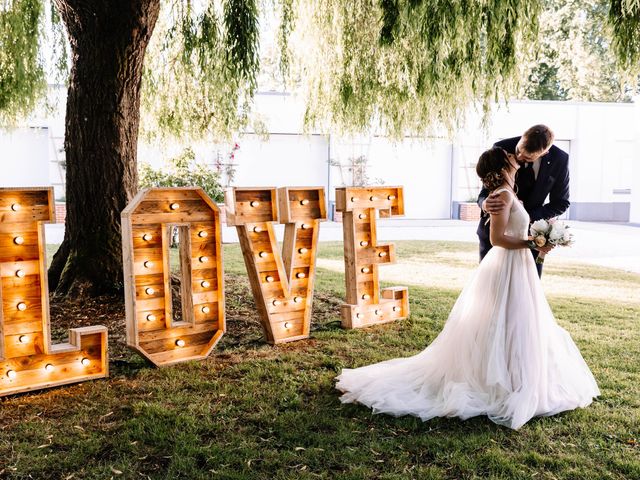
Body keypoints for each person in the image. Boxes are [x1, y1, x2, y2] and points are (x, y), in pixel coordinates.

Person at [335, 147, 599, 430]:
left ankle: (513, 375)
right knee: (504, 319)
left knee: (517, 320)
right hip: (506, 263)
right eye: (511, 159)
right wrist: (531, 243)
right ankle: (499, 379)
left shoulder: (510, 194)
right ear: (503, 166)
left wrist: (536, 242)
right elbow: (498, 239)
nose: (516, 159)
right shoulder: (502, 196)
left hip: (517, 265)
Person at [477, 125, 569, 277]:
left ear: (545, 152)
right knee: (492, 286)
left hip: (532, 235)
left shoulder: (560, 160)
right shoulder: (502, 148)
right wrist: (484, 203)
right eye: (518, 151)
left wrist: (525, 217)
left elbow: (561, 202)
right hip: (494, 233)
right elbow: (485, 190)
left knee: (528, 291)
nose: (519, 157)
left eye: (527, 158)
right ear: (522, 138)